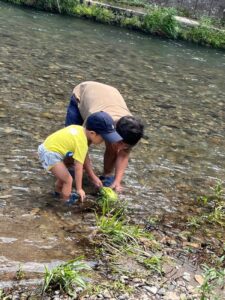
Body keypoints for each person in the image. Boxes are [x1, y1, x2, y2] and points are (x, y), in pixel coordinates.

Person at [65, 81, 144, 192]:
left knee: (114, 146)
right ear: (114, 130)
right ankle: (68, 168)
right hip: (83, 93)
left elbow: (124, 154)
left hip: (110, 95)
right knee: (71, 145)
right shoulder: (97, 119)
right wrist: (91, 175)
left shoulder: (132, 130)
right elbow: (82, 148)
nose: (120, 149)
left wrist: (117, 180)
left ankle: (106, 175)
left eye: (125, 146)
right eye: (121, 143)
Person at [38, 111, 122, 203]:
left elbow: (84, 157)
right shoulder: (82, 143)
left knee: (63, 178)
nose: (104, 141)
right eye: (103, 138)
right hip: (51, 154)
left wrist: (93, 177)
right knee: (68, 180)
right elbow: (79, 167)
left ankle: (58, 194)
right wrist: (79, 189)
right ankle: (65, 203)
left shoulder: (79, 129)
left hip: (47, 148)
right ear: (93, 133)